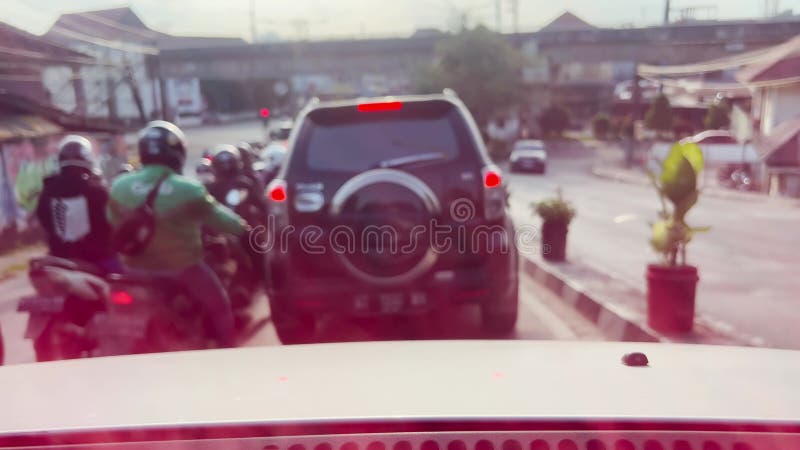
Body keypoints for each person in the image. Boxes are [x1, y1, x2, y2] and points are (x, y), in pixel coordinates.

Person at [107, 121, 247, 347]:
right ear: (177, 152)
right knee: (220, 307)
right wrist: (244, 229)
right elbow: (220, 219)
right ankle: (226, 358)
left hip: (134, 269)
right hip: (182, 268)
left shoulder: (119, 187)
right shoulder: (188, 189)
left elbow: (112, 222)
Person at [36, 135, 121, 275]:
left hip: (60, 258)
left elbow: (44, 221)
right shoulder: (97, 191)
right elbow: (112, 221)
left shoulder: (47, 191)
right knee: (123, 280)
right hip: (99, 260)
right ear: (88, 160)